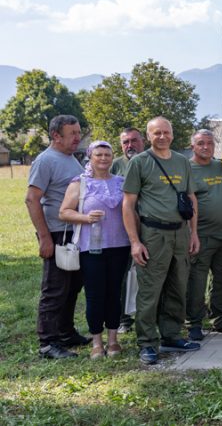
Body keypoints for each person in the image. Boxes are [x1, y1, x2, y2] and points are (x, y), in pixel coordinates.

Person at [122, 117, 201, 365]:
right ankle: (147, 342)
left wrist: (193, 232)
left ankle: (172, 335)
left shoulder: (181, 162)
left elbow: (191, 199)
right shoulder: (139, 163)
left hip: (180, 233)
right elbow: (128, 204)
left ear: (172, 134)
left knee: (178, 286)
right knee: (150, 290)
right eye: (157, 133)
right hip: (153, 234)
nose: (162, 137)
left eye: (166, 132)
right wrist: (135, 242)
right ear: (148, 136)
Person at [26, 115, 89, 359]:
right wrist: (44, 238)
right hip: (56, 232)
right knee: (54, 288)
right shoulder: (46, 161)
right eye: (72, 133)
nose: (77, 137)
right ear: (56, 135)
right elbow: (32, 199)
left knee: (72, 286)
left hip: (74, 232)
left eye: (78, 132)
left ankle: (65, 332)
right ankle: (47, 343)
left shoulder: (71, 158)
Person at [59, 140, 129, 359]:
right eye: (98, 154)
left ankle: (114, 340)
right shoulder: (80, 183)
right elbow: (64, 212)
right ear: (90, 157)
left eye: (107, 155)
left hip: (120, 246)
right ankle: (97, 342)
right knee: (95, 295)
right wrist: (86, 218)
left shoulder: (121, 182)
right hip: (91, 248)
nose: (103, 158)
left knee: (114, 293)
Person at [185, 130, 222, 341]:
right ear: (193, 146)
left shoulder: (221, 166)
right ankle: (194, 323)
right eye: (200, 143)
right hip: (201, 236)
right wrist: (192, 233)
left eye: (209, 143)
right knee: (197, 282)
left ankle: (220, 319)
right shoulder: (187, 168)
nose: (205, 147)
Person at [110, 127, 145, 334]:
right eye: (125, 142)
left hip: (151, 226)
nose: (130, 145)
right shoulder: (115, 165)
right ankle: (124, 318)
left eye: (134, 140)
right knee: (123, 275)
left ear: (143, 141)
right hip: (124, 228)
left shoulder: (151, 161)